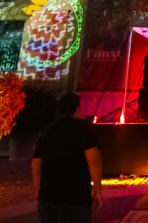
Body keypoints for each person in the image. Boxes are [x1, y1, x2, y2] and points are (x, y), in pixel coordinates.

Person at [32, 93, 102, 223]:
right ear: (77, 109)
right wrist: (98, 190)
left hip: (48, 198)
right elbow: (94, 159)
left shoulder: (46, 131)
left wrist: (38, 191)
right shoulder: (83, 128)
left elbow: (35, 166)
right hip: (76, 197)